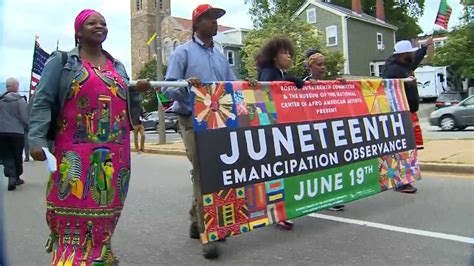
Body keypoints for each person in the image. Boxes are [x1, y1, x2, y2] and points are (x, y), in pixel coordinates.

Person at [28, 9, 150, 265]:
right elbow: (42, 100)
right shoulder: (62, 62)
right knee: (73, 196)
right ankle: (70, 254)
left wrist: (135, 91)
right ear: (78, 31)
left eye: (103, 23)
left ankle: (100, 251)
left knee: (108, 200)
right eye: (92, 23)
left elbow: (127, 102)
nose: (100, 26)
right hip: (74, 149)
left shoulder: (117, 65)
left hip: (115, 151)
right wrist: (36, 139)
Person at [162, 4, 236, 259]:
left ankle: (196, 218)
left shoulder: (218, 55)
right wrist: (186, 86)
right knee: (205, 171)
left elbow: (232, 85)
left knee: (215, 171)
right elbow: (167, 88)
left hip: (219, 120)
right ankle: (210, 230)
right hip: (191, 119)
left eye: (216, 19)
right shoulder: (182, 53)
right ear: (197, 24)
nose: (215, 23)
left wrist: (250, 85)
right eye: (211, 19)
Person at [255, 37, 304, 230]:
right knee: (275, 172)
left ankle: (278, 210)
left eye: (289, 52)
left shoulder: (281, 73)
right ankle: (277, 212)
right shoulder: (269, 73)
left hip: (280, 127)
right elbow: (269, 90)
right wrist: (291, 80)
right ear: (274, 56)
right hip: (270, 128)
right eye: (284, 52)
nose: (289, 55)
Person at [382, 37, 432, 194]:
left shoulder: (405, 64)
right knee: (402, 149)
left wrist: (424, 47)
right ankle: (400, 182)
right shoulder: (393, 69)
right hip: (399, 115)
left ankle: (404, 179)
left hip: (409, 113)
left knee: (410, 148)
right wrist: (405, 82)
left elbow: (416, 59)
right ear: (403, 55)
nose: (412, 55)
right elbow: (388, 87)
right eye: (410, 52)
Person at [303, 51, 345, 211]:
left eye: (324, 64)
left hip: (326, 130)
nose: (323, 68)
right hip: (310, 132)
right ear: (309, 67)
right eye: (319, 65)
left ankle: (331, 197)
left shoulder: (327, 84)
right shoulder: (302, 84)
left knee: (330, 163)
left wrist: (341, 85)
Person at [0, 78, 28, 191]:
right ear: (14, 86)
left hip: (2, 132)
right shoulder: (20, 101)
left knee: (7, 156)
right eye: (17, 85)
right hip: (17, 133)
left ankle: (11, 176)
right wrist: (27, 127)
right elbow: (24, 117)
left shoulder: (1, 100)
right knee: (17, 155)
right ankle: (16, 177)